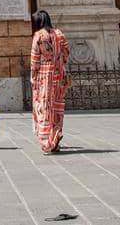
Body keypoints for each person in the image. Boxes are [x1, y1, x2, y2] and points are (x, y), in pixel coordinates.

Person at [29, 9, 70, 154]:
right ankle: (56, 137)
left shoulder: (39, 36)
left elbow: (34, 61)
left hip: (45, 76)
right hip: (59, 75)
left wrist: (33, 78)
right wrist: (58, 61)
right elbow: (66, 53)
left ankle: (47, 142)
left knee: (44, 108)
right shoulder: (59, 34)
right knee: (57, 108)